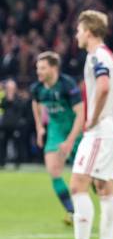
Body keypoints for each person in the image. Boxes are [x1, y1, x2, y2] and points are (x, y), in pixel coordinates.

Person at [55, 10, 113, 239]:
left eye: (78, 30)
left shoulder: (96, 56)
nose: (76, 35)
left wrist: (94, 117)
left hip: (100, 131)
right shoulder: (112, 57)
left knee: (77, 185)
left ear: (88, 31)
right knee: (105, 187)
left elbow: (105, 87)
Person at [31, 51, 84, 225]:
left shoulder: (67, 85)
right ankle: (72, 211)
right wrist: (39, 127)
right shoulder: (37, 88)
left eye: (43, 68)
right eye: (38, 68)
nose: (38, 72)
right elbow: (35, 103)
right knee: (54, 171)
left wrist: (70, 140)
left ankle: (88, 204)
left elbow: (80, 114)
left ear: (54, 68)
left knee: (87, 177)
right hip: (55, 132)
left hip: (75, 132)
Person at [0, 79, 28, 169]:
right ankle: (2, 162)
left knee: (17, 144)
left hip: (15, 125)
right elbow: (3, 107)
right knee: (3, 144)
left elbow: (22, 109)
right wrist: (8, 99)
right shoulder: (4, 98)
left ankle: (18, 162)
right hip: (5, 125)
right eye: (8, 87)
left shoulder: (19, 99)